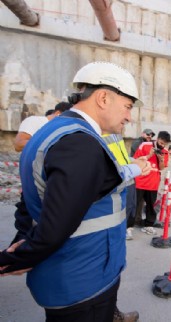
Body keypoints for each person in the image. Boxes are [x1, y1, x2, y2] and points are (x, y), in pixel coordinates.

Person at [0, 61, 151, 322]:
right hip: (83, 280)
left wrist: (24, 239)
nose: (129, 117)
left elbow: (32, 197)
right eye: (127, 106)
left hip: (74, 273)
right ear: (103, 97)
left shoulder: (55, 131)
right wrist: (19, 257)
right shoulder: (79, 143)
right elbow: (57, 224)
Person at [133, 130, 171, 234]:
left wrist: (161, 159)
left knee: (151, 205)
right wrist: (149, 155)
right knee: (134, 204)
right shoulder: (145, 145)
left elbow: (161, 168)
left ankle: (148, 225)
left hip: (153, 183)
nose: (162, 145)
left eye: (164, 144)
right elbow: (136, 160)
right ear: (157, 139)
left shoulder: (165, 152)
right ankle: (128, 227)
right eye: (161, 142)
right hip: (140, 179)